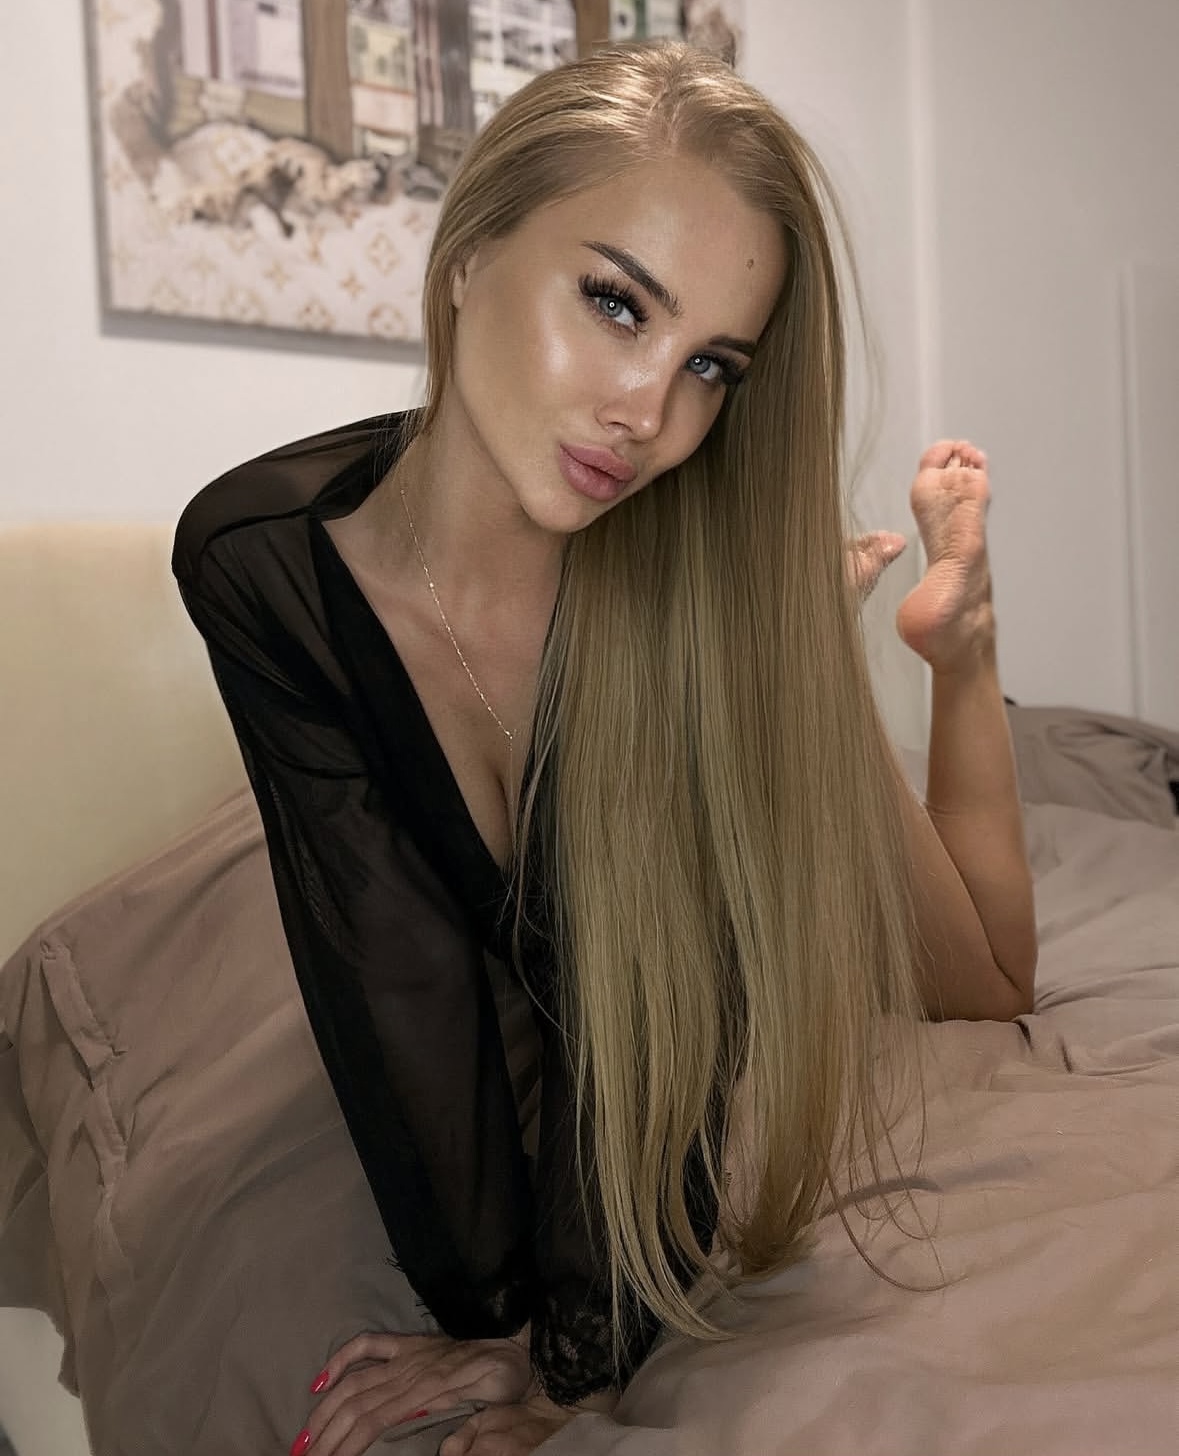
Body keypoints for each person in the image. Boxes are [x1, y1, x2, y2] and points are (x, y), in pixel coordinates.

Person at [173, 40, 1036, 1456]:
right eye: (616, 304)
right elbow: (384, 958)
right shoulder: (263, 565)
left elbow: (658, 1011)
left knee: (988, 988)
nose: (650, 414)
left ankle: (955, 639)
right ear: (470, 253)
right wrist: (483, 1311)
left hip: (734, 661)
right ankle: (822, 620)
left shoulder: (678, 599)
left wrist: (576, 1365)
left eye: (710, 366)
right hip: (709, 647)